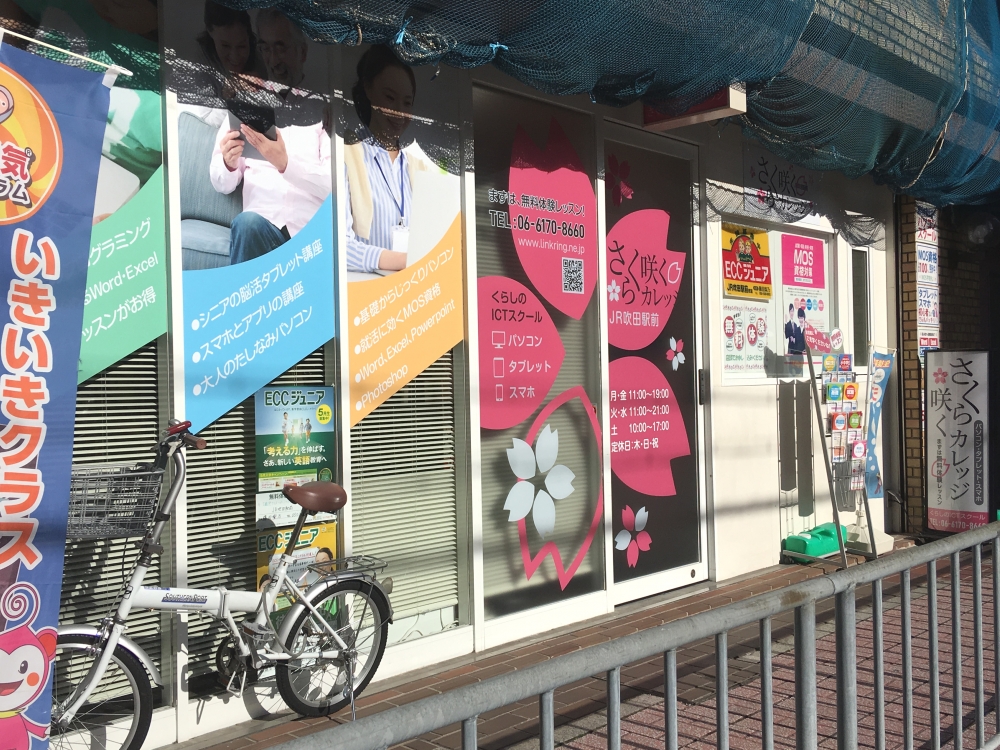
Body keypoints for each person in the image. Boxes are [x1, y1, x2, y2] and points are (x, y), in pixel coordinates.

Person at [209, 12, 331, 266]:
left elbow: (333, 187)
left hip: (307, 235)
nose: (273, 59)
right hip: (259, 229)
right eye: (265, 48)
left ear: (302, 53)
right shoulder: (247, 102)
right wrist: (229, 163)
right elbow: (221, 182)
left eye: (281, 48)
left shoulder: (323, 110)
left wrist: (286, 164)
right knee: (247, 223)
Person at [344, 45, 435, 274]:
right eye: (390, 98)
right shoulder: (347, 155)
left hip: (414, 296)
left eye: (407, 103)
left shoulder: (419, 168)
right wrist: (402, 261)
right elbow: (339, 247)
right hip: (366, 297)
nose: (399, 112)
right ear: (368, 89)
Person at [196, 2, 261, 76]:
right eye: (225, 46)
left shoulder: (262, 60)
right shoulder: (197, 65)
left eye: (242, 46)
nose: (235, 57)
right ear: (210, 31)